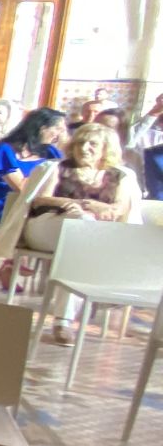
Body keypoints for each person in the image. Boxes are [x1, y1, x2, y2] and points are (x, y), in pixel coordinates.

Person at [25, 121, 141, 343]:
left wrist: (98, 209)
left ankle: (63, 321)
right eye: (80, 142)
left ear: (106, 149)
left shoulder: (120, 176)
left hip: (86, 237)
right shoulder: (57, 167)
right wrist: (76, 203)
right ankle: (107, 287)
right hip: (49, 225)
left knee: (79, 246)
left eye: (92, 144)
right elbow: (40, 199)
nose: (84, 147)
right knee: (81, 223)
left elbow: (120, 208)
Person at [0, 106, 67, 226]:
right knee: (45, 222)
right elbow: (22, 187)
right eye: (58, 129)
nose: (60, 134)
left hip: (29, 205)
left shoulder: (51, 152)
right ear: (42, 128)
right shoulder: (3, 150)